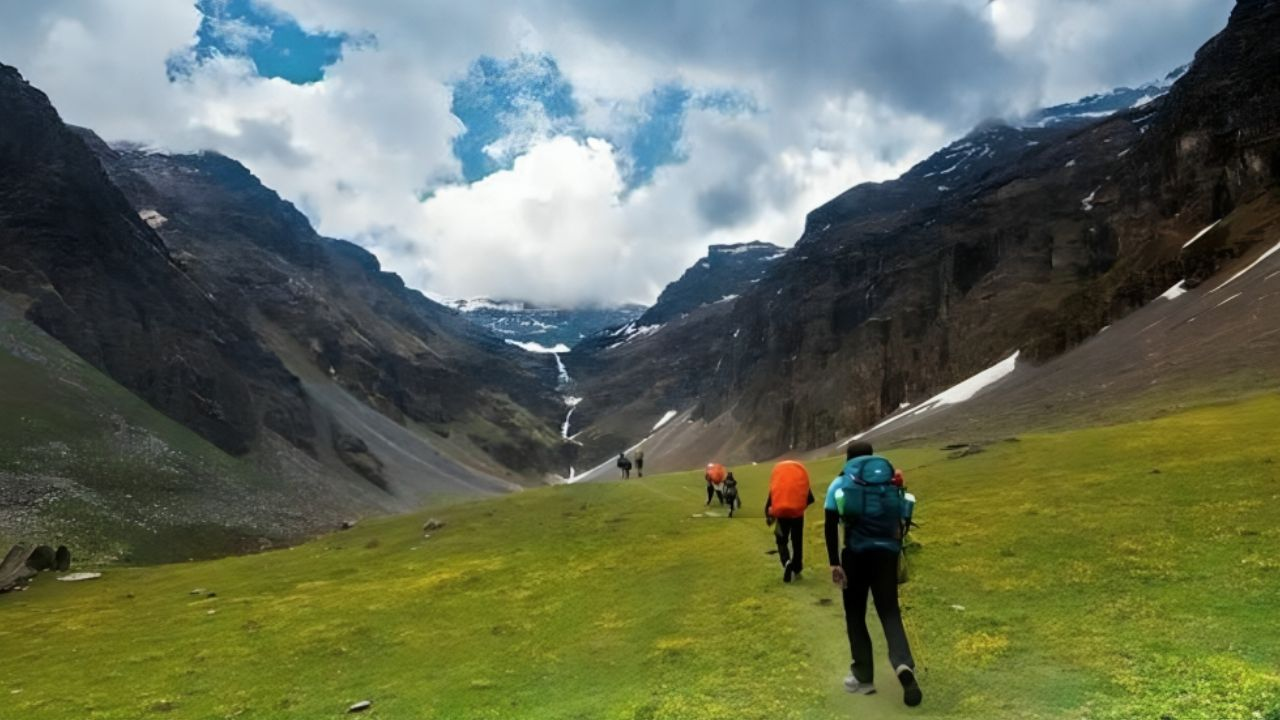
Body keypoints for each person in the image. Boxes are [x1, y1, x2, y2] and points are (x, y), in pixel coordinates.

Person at [825, 441, 922, 707]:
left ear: (848, 459)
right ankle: (903, 664)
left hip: (855, 556)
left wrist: (834, 564)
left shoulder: (840, 483)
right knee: (889, 610)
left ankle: (863, 676)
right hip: (887, 554)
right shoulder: (888, 482)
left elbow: (830, 525)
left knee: (855, 614)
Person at [765, 459, 814, 583]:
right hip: (797, 515)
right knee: (797, 541)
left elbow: (770, 500)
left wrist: (768, 516)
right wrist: (799, 507)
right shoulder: (800, 483)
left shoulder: (778, 484)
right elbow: (809, 499)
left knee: (781, 540)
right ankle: (797, 567)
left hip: (782, 515)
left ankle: (786, 561)